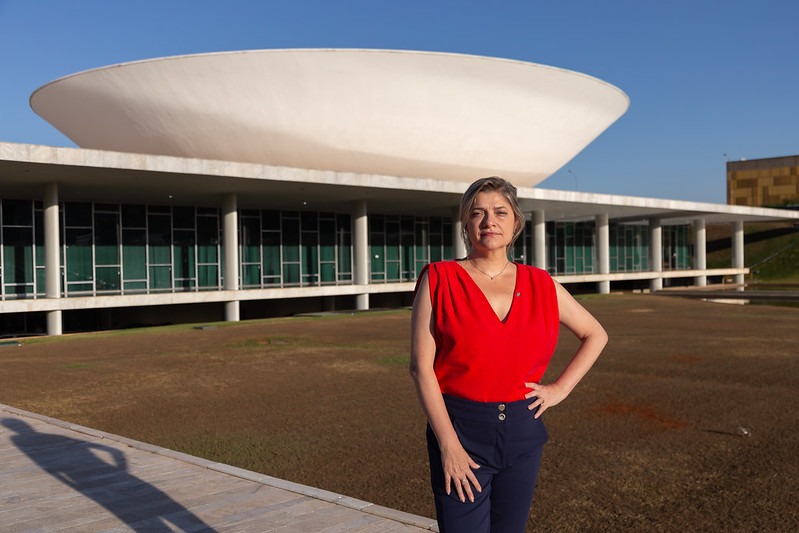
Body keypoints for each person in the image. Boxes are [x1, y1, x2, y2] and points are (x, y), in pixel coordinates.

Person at [409, 176, 608, 532]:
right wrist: (448, 445)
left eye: (500, 212)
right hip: (461, 432)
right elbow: (421, 369)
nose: (489, 222)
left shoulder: (541, 283)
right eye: (478, 213)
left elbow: (595, 334)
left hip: (523, 433)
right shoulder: (439, 279)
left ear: (515, 222)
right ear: (465, 223)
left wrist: (559, 389)